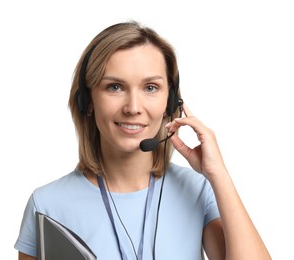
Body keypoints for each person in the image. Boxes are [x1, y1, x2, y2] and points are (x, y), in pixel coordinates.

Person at [15, 21, 271, 260]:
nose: (133, 107)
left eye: (150, 88)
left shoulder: (198, 191)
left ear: (170, 102)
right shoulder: (47, 205)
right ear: (87, 100)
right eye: (115, 87)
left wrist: (218, 174)